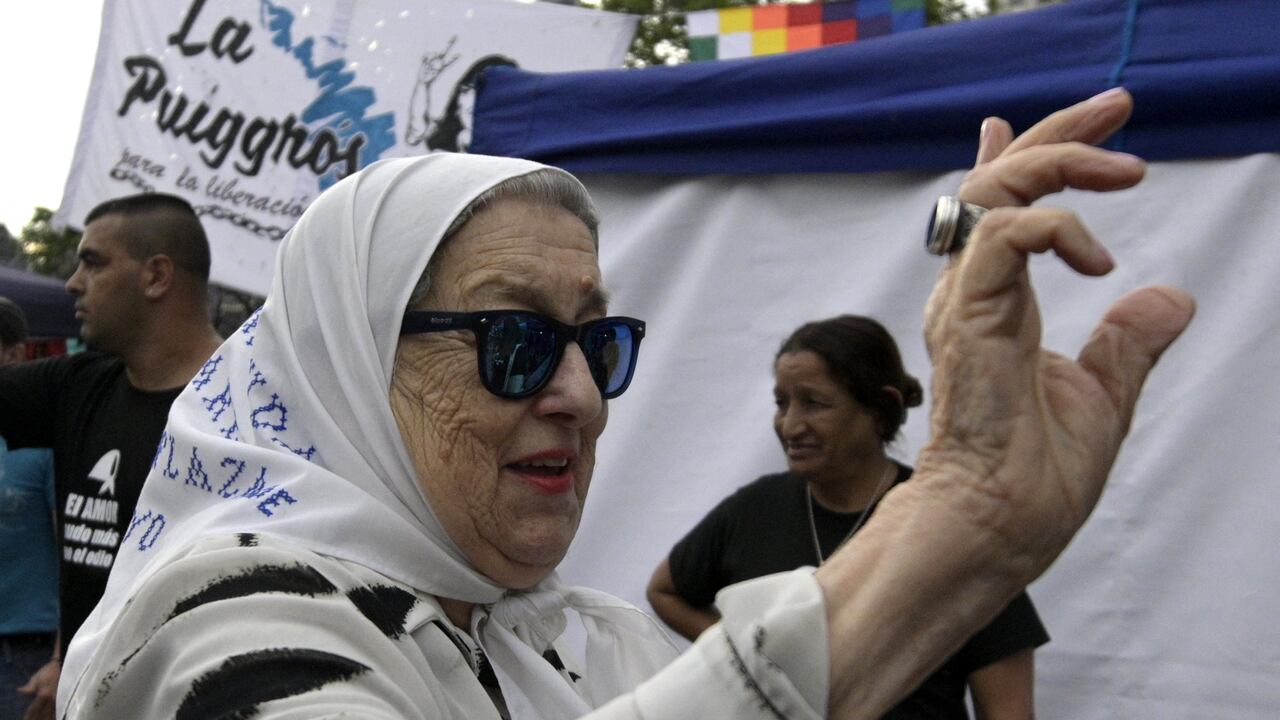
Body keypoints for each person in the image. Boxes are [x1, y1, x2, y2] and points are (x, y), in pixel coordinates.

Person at [58, 88, 1195, 719]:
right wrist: (955, 520)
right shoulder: (228, 617)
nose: (579, 397)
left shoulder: (578, 643)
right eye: (512, 342)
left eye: (594, 343)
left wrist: (972, 526)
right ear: (351, 366)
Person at [648, 314, 1048, 719]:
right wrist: (744, 662)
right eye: (782, 403)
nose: (790, 425)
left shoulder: (950, 527)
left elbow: (1009, 711)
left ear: (880, 411)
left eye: (814, 403)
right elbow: (666, 590)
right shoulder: (755, 510)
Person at [0, 193, 223, 720]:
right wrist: (63, 659)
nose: (73, 283)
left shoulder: (251, 408)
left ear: (156, 276)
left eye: (93, 262)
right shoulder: (79, 386)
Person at [0, 297, 57, 719]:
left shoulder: (44, 438)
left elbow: (76, 554)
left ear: (14, 354)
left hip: (27, 655)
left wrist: (60, 657)